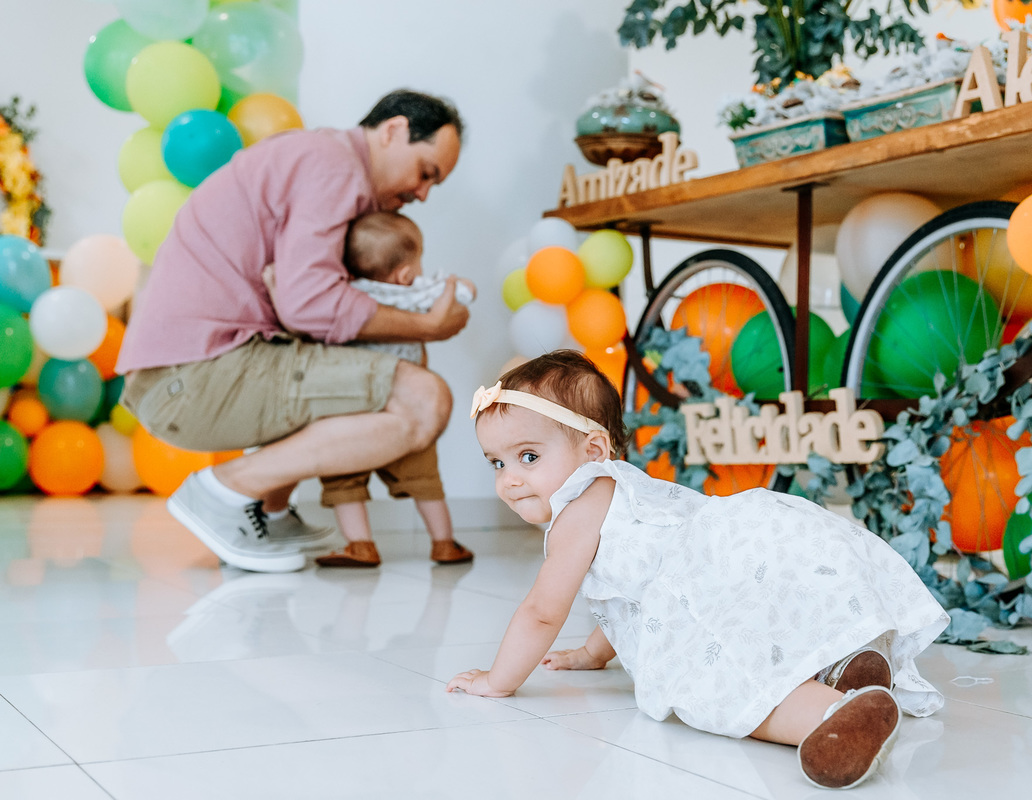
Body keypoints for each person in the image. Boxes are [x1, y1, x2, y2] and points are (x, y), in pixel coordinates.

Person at [446, 351, 949, 790]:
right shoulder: (618, 489)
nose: (510, 481)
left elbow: (541, 612)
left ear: (593, 452)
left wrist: (499, 680)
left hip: (704, 585)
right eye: (497, 464)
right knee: (770, 637)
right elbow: (633, 596)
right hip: (736, 549)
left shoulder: (577, 509)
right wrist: (592, 653)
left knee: (728, 682)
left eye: (527, 457)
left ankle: (832, 716)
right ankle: (843, 669)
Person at [116, 89, 468, 574]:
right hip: (191, 377)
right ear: (393, 131)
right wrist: (427, 325)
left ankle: (270, 509)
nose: (423, 193)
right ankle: (224, 490)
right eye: (426, 171)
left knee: (340, 365)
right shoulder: (334, 164)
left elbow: (303, 308)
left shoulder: (317, 160)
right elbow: (311, 303)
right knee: (424, 400)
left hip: (182, 374)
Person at [294, 211, 476, 568]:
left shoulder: (345, 296)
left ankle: (361, 545)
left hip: (352, 408)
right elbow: (466, 294)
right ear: (405, 273)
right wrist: (452, 284)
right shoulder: (415, 292)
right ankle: (444, 543)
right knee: (424, 478)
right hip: (408, 407)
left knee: (342, 474)